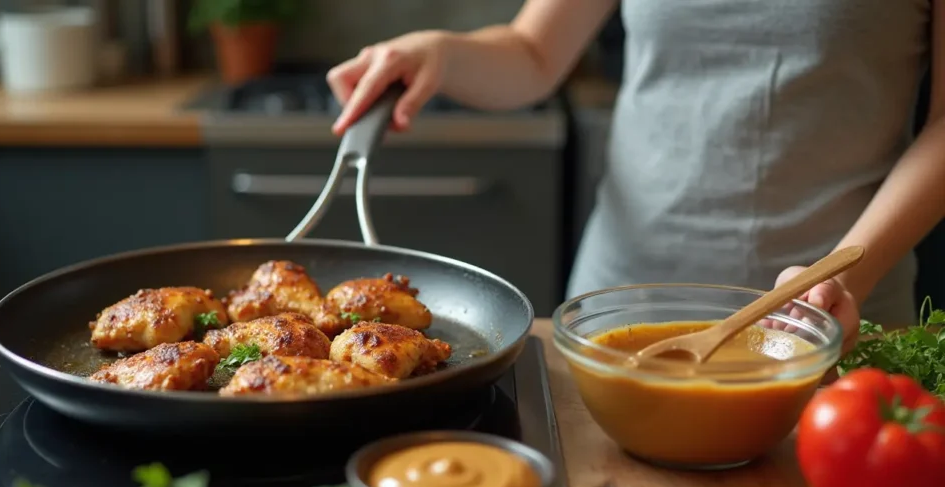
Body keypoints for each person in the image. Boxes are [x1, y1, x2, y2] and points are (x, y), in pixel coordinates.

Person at [326, 0, 945, 350]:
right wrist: (441, 51)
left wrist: (844, 277)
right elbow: (534, 52)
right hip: (623, 304)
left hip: (836, 311)